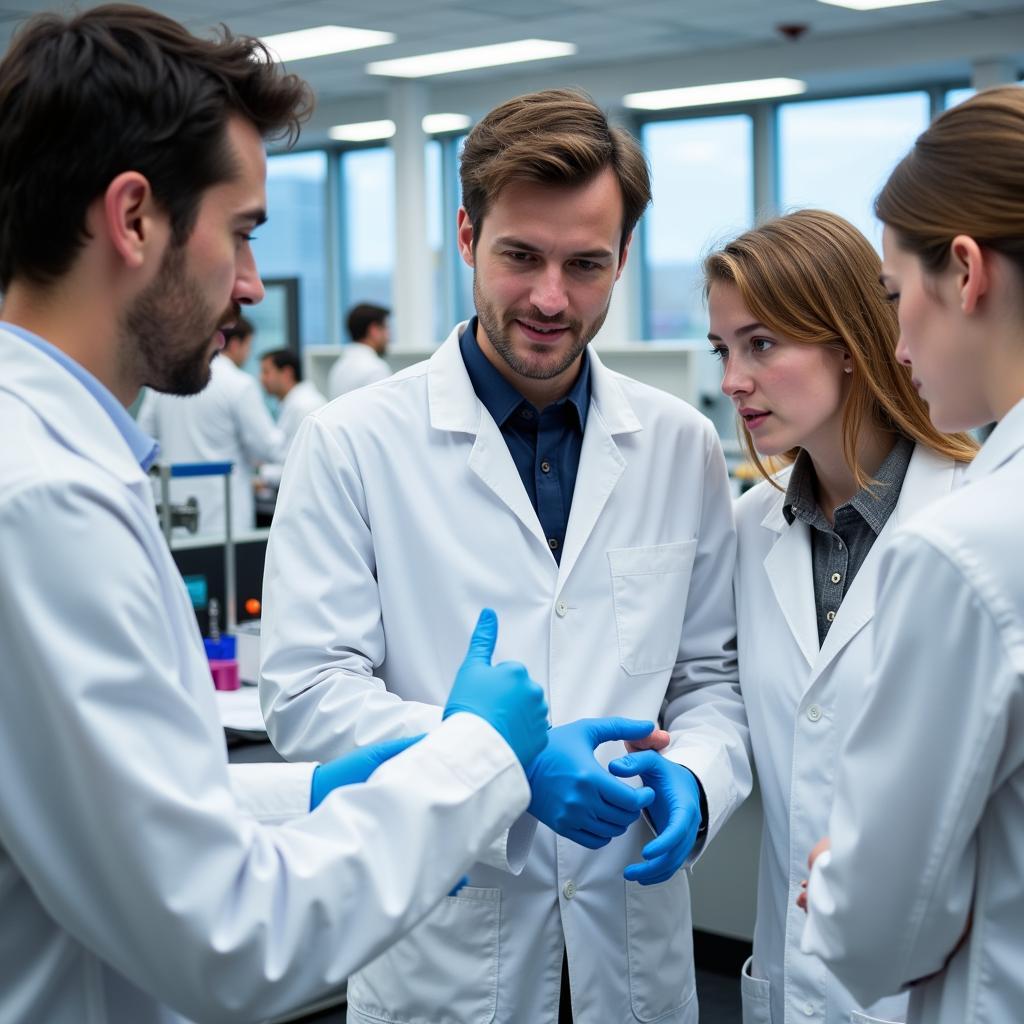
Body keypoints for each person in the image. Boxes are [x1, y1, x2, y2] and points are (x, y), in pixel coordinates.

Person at [0, 7, 553, 1022]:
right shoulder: (45, 504)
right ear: (132, 219)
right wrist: (474, 753)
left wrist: (322, 790)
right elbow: (232, 939)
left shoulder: (45, 465)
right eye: (243, 230)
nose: (252, 284)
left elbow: (113, 814)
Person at [260, 88, 751, 1024]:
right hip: (446, 948)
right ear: (466, 234)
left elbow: (710, 679)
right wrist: (502, 767)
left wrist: (693, 775)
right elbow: (310, 689)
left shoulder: (679, 445)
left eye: (587, 264)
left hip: (633, 938)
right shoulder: (353, 442)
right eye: (521, 256)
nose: (551, 298)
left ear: (623, 261)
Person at [704, 209, 976, 1024]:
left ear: (851, 343)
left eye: (760, 344)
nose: (731, 381)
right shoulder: (750, 529)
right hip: (794, 975)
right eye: (723, 350)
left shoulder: (977, 521)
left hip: (942, 981)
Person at [800, 85, 1024, 1023]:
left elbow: (873, 934)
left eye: (896, 295)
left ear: (965, 272)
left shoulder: (969, 547)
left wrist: (840, 875)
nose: (893, 344)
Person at [137, 313, 285, 536]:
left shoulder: (161, 381)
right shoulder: (239, 384)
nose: (248, 354)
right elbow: (266, 446)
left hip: (172, 511)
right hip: (224, 516)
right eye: (248, 346)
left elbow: (143, 441)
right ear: (234, 344)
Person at [258, 347, 326, 487]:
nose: (261, 379)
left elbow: (301, 466)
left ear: (287, 373)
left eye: (266, 372)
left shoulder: (305, 406)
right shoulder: (291, 404)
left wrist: (262, 474)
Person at [326, 301, 392, 398]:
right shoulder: (375, 369)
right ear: (373, 330)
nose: (389, 336)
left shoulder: (338, 367)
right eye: (386, 328)